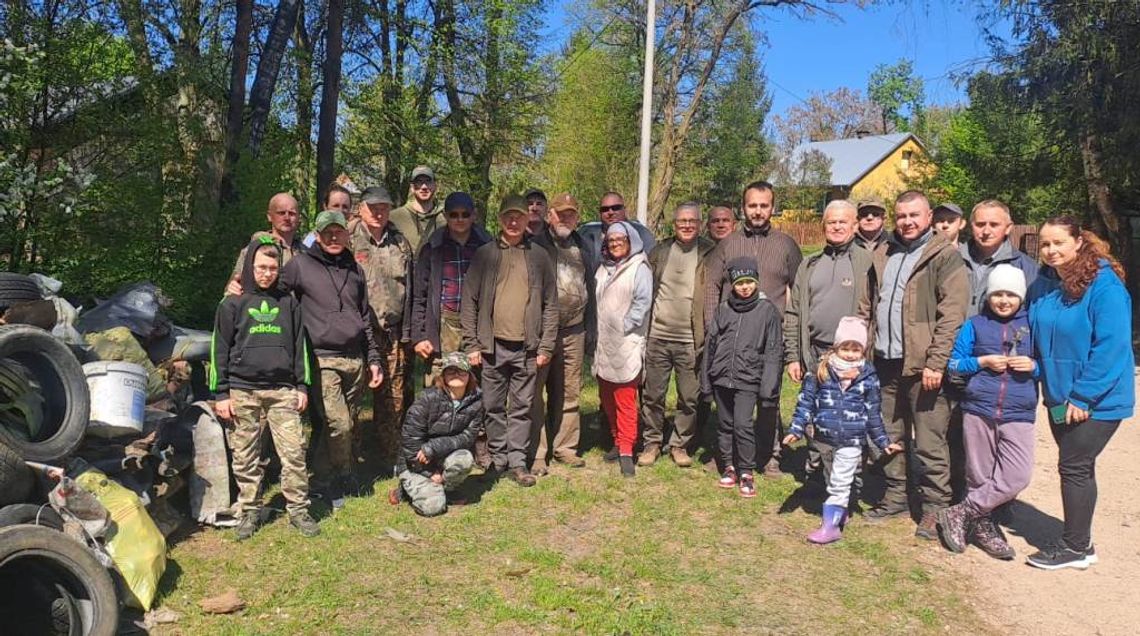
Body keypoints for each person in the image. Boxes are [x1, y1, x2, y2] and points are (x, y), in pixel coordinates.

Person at [1025, 216, 1134, 570]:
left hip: (1097, 400)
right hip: (1059, 397)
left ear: (1077, 242)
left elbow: (1112, 346)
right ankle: (1080, 540)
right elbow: (1034, 336)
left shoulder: (1104, 286)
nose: (1051, 250)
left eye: (1058, 242)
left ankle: (1075, 546)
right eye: (1044, 244)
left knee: (1074, 465)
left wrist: (1084, 396)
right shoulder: (1043, 285)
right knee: (1077, 468)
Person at [860, 190, 968, 540]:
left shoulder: (943, 256)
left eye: (914, 215)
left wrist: (936, 362)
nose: (907, 222)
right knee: (890, 436)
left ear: (928, 217)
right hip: (884, 362)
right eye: (901, 215)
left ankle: (936, 509)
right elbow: (867, 306)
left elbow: (951, 315)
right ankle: (896, 497)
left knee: (929, 442)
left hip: (924, 367)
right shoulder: (884, 252)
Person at [210, 237, 320, 539]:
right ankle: (249, 510)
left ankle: (298, 509)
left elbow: (300, 347)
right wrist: (221, 393)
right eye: (261, 267)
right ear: (249, 267)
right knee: (245, 455)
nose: (267, 273)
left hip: (283, 390)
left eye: (273, 268)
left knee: (294, 452)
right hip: (242, 390)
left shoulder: (288, 302)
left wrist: (302, 386)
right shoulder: (232, 302)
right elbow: (219, 350)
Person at [279, 210, 384, 503]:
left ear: (347, 235)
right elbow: (273, 295)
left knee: (340, 422)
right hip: (322, 358)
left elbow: (364, 317)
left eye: (339, 232)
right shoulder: (300, 265)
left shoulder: (354, 269)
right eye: (327, 233)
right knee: (340, 424)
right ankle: (345, 472)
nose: (334, 237)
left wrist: (373, 359)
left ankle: (322, 477)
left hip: (355, 359)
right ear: (318, 235)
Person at [703, 181, 802, 478]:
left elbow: (798, 290)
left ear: (772, 207)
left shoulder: (786, 245)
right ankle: (727, 455)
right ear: (742, 207)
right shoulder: (728, 243)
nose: (757, 211)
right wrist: (714, 331)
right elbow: (712, 287)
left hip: (769, 337)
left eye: (763, 205)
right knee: (732, 400)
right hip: (732, 336)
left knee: (768, 397)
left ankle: (770, 455)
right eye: (752, 205)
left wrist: (791, 334)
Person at [938, 265, 1038, 559]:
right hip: (979, 408)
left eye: (1010, 294)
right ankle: (983, 529)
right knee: (978, 477)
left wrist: (1033, 367)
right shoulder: (976, 324)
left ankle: (960, 512)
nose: (1004, 300)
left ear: (1020, 297)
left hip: (1019, 411)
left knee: (1017, 475)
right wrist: (981, 362)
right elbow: (954, 364)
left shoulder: (1033, 325)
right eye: (997, 294)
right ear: (988, 296)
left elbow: (1047, 364)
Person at [461, 194, 558, 488]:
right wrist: (472, 344)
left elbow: (551, 305)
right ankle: (498, 460)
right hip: (492, 347)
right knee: (491, 406)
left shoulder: (539, 256)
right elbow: (469, 302)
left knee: (522, 407)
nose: (514, 222)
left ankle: (517, 462)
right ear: (500, 220)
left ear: (528, 219)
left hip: (527, 349)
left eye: (519, 216)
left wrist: (546, 346)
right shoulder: (486, 254)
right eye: (508, 217)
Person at [783, 317, 902, 543]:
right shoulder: (821, 371)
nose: (849, 354)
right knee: (832, 479)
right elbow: (805, 401)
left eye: (855, 349)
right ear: (836, 347)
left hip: (852, 439)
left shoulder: (868, 376)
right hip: (825, 437)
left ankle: (831, 527)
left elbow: (873, 413)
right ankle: (841, 511)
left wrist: (883, 442)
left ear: (863, 350)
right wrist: (796, 428)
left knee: (840, 481)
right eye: (845, 348)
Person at [784, 200, 872, 479]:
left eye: (842, 222)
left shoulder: (866, 263)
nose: (836, 226)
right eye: (831, 222)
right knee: (814, 415)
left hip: (851, 358)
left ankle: (849, 481)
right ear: (824, 226)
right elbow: (794, 311)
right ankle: (815, 473)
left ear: (854, 225)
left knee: (848, 419)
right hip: (815, 354)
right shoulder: (809, 264)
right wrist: (793, 356)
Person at [639, 202, 714, 468]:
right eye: (682, 221)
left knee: (689, 398)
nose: (687, 225)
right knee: (653, 395)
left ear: (700, 223)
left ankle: (679, 444)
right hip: (658, 335)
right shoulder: (659, 251)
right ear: (674, 224)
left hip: (691, 340)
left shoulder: (709, 252)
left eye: (692, 221)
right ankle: (652, 442)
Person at [701, 257, 782, 497]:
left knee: (743, 424)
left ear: (756, 282)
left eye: (749, 281)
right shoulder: (724, 309)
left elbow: (773, 351)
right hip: (722, 377)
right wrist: (707, 380)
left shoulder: (767, 311)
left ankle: (747, 470)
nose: (745, 287)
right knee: (725, 424)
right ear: (732, 285)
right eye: (739, 283)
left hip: (749, 378)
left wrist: (769, 389)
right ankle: (729, 465)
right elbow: (711, 344)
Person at [350, 185, 415, 471]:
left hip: (393, 332)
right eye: (373, 207)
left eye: (384, 207)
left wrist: (410, 330)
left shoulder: (400, 242)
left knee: (393, 400)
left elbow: (411, 288)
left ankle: (389, 458)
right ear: (361, 208)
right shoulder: (348, 239)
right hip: (358, 333)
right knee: (351, 399)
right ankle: (349, 462)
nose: (379, 212)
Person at [529, 193, 592, 475]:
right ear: (549, 215)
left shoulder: (584, 245)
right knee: (535, 392)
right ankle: (538, 452)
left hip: (574, 330)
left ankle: (565, 446)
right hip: (543, 332)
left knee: (569, 391)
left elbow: (593, 286)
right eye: (560, 213)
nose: (565, 218)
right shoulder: (534, 245)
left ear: (577, 217)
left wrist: (591, 327)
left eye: (571, 214)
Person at [410, 192, 492, 384]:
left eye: (465, 214)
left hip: (478, 323)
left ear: (474, 215)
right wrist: (419, 336)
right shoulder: (432, 247)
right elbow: (419, 296)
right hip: (443, 322)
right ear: (446, 216)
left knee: (476, 384)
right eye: (454, 214)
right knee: (439, 384)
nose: (460, 219)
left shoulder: (488, 247)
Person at [389, 352, 483, 517]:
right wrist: (429, 473)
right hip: (415, 463)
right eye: (451, 370)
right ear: (443, 375)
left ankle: (447, 489)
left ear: (469, 375)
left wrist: (434, 447)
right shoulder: (427, 398)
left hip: (440, 456)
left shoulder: (476, 401)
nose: (456, 375)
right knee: (433, 507)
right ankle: (405, 489)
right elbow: (409, 441)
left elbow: (468, 437)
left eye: (461, 370)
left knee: (465, 458)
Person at [592, 221, 652, 478]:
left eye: (621, 240)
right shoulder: (603, 268)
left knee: (625, 399)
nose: (616, 244)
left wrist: (624, 325)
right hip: (604, 343)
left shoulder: (639, 267)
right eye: (612, 240)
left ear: (631, 241)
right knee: (607, 398)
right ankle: (617, 441)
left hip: (626, 342)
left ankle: (628, 449)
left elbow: (642, 303)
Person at [959, 200, 1038, 317]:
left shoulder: (1026, 267)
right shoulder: (953, 260)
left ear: (1008, 228)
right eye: (980, 224)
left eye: (994, 225)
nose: (986, 231)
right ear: (972, 227)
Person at [225, 193, 305, 295]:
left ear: (299, 217)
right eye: (281, 213)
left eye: (292, 213)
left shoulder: (306, 252)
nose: (287, 218)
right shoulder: (255, 249)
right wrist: (232, 287)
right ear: (269, 216)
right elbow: (233, 284)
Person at [578, 192, 656, 267]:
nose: (610, 212)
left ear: (624, 210)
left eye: (616, 208)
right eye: (605, 209)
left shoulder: (642, 233)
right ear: (600, 213)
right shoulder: (586, 233)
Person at [390, 165, 442, 252]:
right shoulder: (394, 218)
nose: (424, 187)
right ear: (412, 187)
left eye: (428, 181)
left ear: (435, 185)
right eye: (419, 182)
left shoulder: (447, 217)